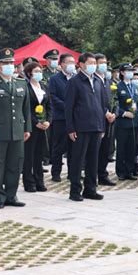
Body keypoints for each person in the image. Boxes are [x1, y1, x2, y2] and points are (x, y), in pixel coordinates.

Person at [65, 52, 107, 201]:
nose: (93, 66)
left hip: (96, 126)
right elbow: (69, 107)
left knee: (93, 159)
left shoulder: (97, 80)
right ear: (81, 64)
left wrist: (102, 126)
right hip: (81, 127)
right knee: (78, 160)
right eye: (90, 63)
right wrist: (70, 128)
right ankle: (75, 191)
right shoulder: (75, 81)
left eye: (94, 63)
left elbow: (102, 105)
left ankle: (90, 189)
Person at [0, 48, 31, 209]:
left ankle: (11, 195)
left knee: (15, 164)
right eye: (6, 63)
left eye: (11, 63)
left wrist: (27, 128)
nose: (9, 66)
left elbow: (26, 109)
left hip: (17, 130)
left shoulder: (21, 83)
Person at [23, 62, 50, 192]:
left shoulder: (44, 86)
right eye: (36, 71)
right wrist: (36, 122)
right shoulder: (25, 87)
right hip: (31, 125)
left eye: (40, 71)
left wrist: (48, 121)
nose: (39, 73)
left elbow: (49, 106)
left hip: (43, 126)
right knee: (29, 155)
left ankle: (39, 181)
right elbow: (25, 109)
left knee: (40, 155)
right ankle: (29, 182)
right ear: (30, 73)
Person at [49, 53, 75, 182]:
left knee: (74, 147)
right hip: (61, 117)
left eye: (73, 62)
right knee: (59, 146)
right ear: (62, 64)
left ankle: (73, 172)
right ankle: (56, 172)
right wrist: (67, 107)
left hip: (75, 119)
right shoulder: (55, 79)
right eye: (69, 62)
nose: (72, 65)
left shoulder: (76, 78)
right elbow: (53, 97)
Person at [115, 63, 138, 181]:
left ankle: (129, 170)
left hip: (134, 123)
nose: (130, 73)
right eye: (128, 70)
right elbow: (114, 104)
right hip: (122, 123)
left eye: (132, 70)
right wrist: (124, 113)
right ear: (122, 72)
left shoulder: (135, 87)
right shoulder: (117, 87)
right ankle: (120, 171)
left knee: (132, 148)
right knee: (121, 148)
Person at [94, 54, 116, 186]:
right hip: (98, 120)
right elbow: (94, 102)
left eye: (105, 62)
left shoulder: (108, 81)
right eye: (101, 62)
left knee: (106, 149)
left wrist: (114, 113)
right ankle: (93, 175)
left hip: (110, 121)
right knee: (96, 149)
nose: (104, 65)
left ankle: (103, 174)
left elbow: (115, 100)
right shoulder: (94, 80)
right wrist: (105, 113)